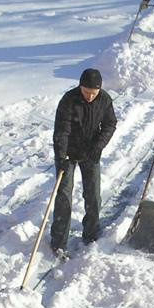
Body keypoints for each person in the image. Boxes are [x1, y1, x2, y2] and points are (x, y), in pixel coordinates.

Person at [51, 69, 117, 256]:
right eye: (86, 92)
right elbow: (61, 132)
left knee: (93, 194)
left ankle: (91, 234)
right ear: (80, 87)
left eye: (93, 93)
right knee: (63, 196)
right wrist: (61, 157)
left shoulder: (104, 100)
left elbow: (110, 124)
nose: (89, 96)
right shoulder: (68, 100)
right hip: (68, 153)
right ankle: (58, 241)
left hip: (90, 152)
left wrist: (98, 146)